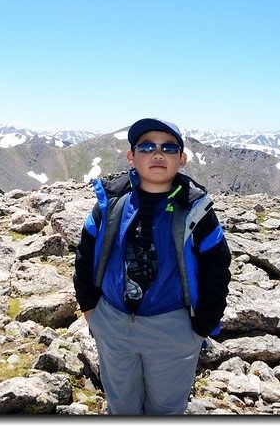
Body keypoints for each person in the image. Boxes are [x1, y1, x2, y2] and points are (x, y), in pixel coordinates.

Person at [73, 118, 231, 415]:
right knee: (121, 407)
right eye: (146, 146)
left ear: (181, 160)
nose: (158, 154)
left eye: (168, 148)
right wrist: (91, 310)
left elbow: (217, 268)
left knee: (166, 410)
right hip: (112, 322)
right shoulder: (110, 203)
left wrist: (200, 327)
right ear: (131, 156)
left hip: (173, 329)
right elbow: (85, 253)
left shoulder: (197, 211)